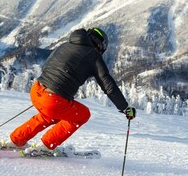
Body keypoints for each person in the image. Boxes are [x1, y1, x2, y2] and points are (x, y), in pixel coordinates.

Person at [9, 27, 136, 155]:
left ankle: (16, 140)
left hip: (37, 89)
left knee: (49, 116)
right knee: (83, 114)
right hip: (53, 99)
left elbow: (48, 65)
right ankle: (47, 146)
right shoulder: (93, 55)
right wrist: (125, 108)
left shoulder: (66, 45)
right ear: (100, 44)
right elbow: (108, 85)